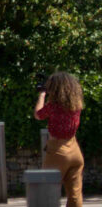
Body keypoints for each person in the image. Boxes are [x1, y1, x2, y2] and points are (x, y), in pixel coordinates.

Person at [35, 71, 84, 207]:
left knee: (46, 192)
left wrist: (42, 94)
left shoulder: (53, 106)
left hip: (58, 151)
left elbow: (38, 114)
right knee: (75, 196)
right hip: (75, 151)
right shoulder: (76, 106)